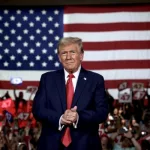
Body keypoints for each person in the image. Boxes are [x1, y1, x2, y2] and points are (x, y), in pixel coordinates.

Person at [32, 37, 108, 150]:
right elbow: (38, 110)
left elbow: (102, 112)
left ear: (81, 55)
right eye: (64, 53)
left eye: (72, 52)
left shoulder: (95, 80)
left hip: (85, 145)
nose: (68, 57)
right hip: (51, 145)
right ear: (59, 57)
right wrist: (60, 118)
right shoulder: (47, 79)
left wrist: (78, 117)